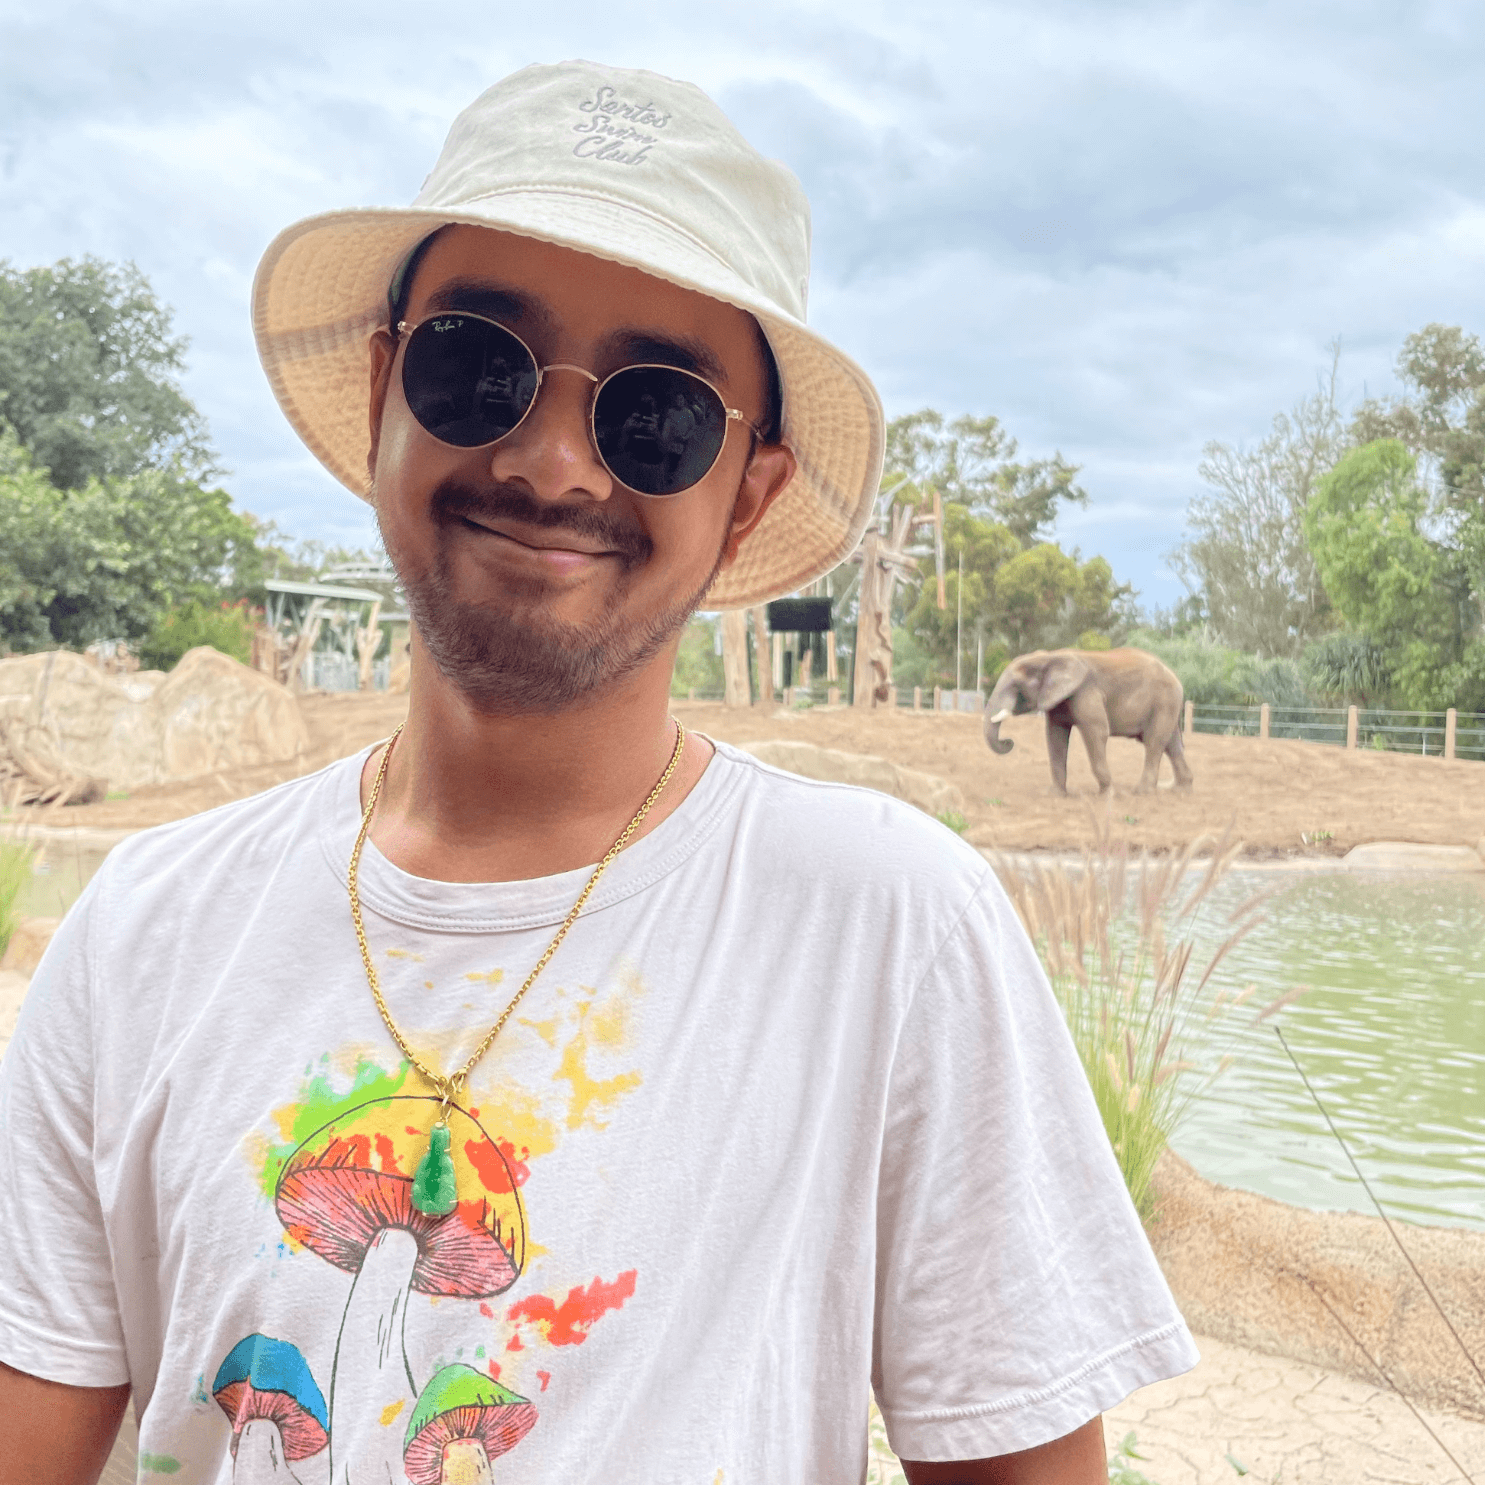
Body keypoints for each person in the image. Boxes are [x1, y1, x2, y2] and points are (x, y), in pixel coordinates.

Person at [0, 61, 1198, 1484]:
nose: (557, 461)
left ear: (747, 486)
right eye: (475, 366)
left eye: (660, 413)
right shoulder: (143, 931)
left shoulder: (889, 928)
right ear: (389, 389)